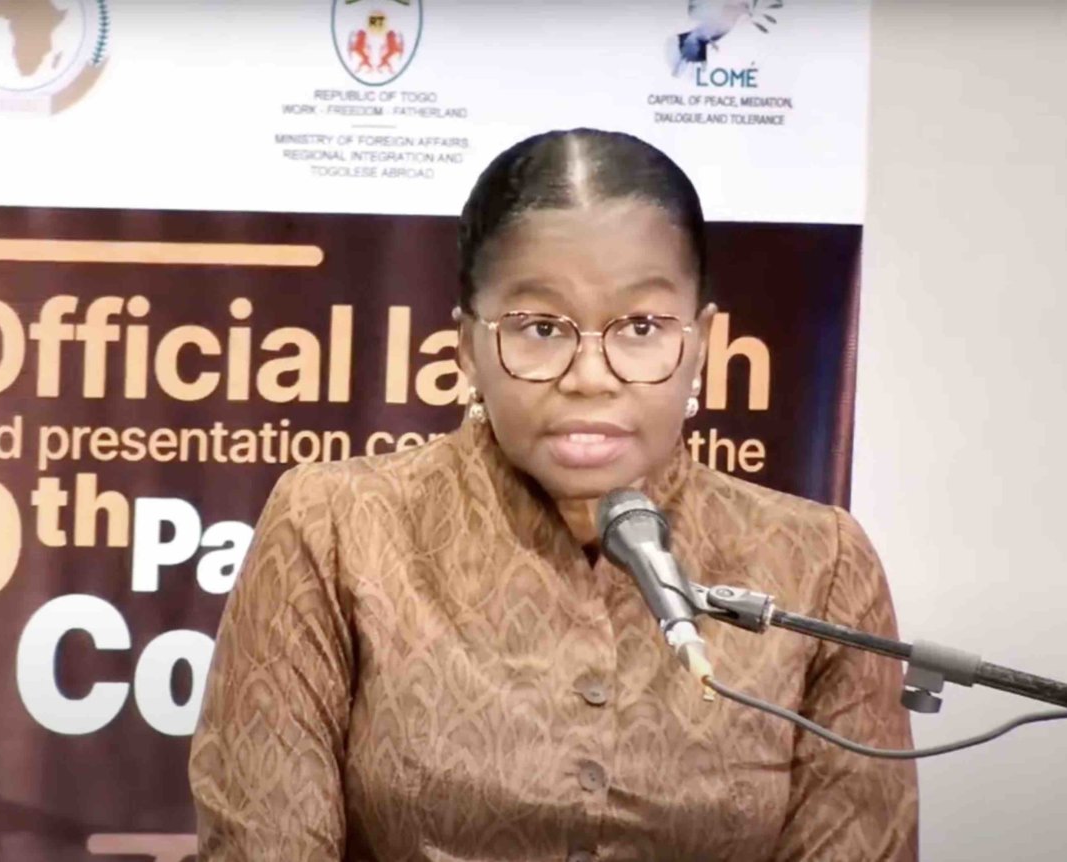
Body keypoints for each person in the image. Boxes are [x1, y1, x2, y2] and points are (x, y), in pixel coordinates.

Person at [189, 128, 918, 861]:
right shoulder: (338, 528)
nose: (590, 376)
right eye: (541, 327)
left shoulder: (818, 565)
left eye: (641, 326)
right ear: (467, 349)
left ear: (699, 343)